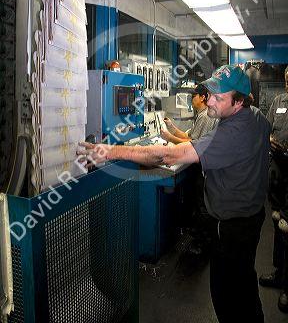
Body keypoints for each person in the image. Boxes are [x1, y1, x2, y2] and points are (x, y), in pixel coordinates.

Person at [77, 64, 270, 323]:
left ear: (237, 102)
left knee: (227, 295)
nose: (209, 100)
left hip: (232, 227)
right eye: (210, 92)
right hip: (252, 217)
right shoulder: (255, 116)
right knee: (245, 285)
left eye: (218, 97)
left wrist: (107, 151)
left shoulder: (231, 133)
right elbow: (265, 131)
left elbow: (169, 154)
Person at [160, 84, 218, 254]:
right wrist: (170, 127)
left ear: (202, 97)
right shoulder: (200, 116)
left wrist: (168, 138)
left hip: (206, 168)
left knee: (202, 205)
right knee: (198, 202)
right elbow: (187, 136)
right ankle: (199, 233)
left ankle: (203, 243)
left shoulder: (206, 116)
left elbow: (194, 145)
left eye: (194, 96)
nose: (191, 99)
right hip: (201, 166)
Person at [259, 65, 288, 313]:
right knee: (278, 224)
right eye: (287, 80)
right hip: (278, 172)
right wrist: (271, 141)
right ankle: (280, 273)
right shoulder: (279, 100)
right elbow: (267, 129)